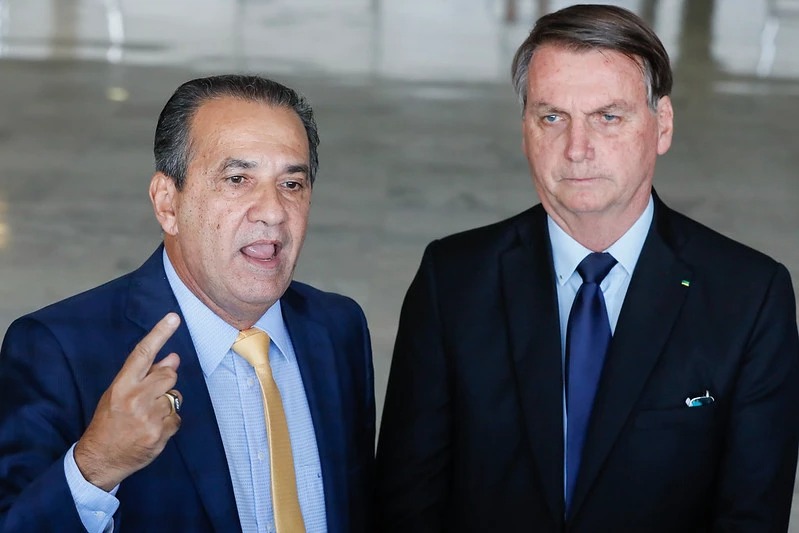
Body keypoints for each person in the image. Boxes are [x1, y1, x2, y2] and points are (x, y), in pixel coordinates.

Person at [375, 4, 799, 532]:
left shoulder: (750, 297)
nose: (577, 149)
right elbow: (407, 503)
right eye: (552, 117)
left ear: (662, 125)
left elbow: (751, 516)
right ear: (525, 129)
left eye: (608, 117)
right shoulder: (453, 281)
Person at [0, 74, 375, 533]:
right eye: (237, 179)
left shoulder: (337, 328)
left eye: (292, 184)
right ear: (168, 204)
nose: (274, 211)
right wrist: (96, 466)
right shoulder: (58, 350)